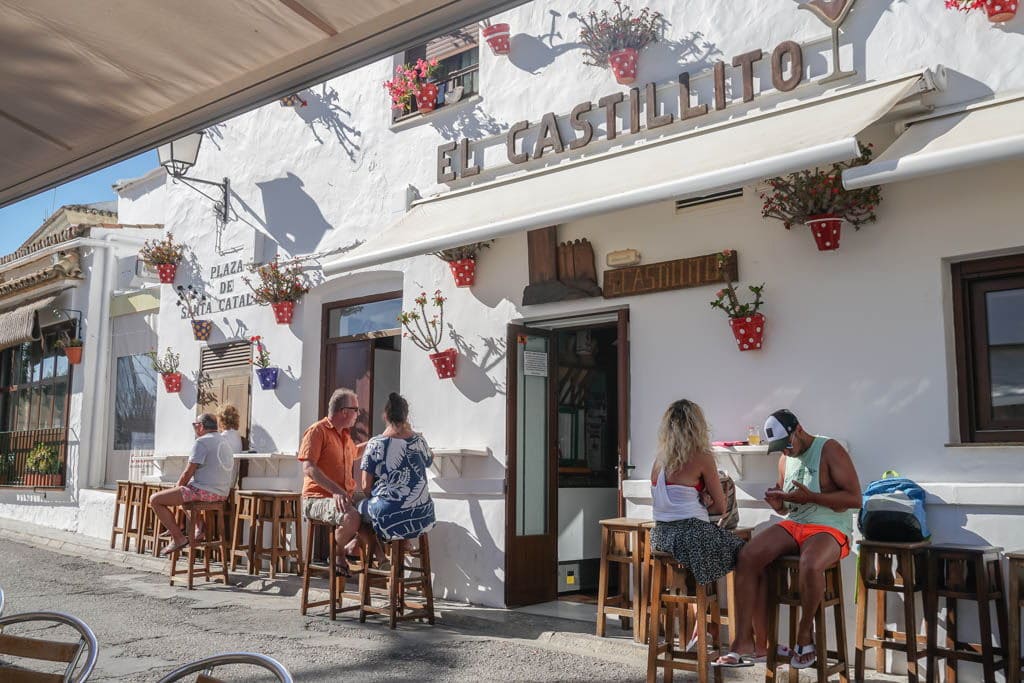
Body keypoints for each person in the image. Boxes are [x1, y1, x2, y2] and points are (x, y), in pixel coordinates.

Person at [717, 409, 861, 669]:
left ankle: (804, 635)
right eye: (780, 448)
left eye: (787, 445)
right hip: (795, 524)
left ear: (799, 430)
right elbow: (787, 508)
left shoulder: (829, 449)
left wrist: (813, 498)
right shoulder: (785, 459)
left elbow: (855, 499)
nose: (785, 452)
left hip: (829, 528)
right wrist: (778, 504)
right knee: (747, 555)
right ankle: (743, 642)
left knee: (810, 563)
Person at [648, 399, 745, 651]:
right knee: (744, 553)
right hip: (690, 532)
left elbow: (664, 503)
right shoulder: (702, 458)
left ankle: (702, 624)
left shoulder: (658, 461)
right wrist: (704, 501)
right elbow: (720, 508)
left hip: (660, 535)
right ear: (697, 426)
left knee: (700, 557)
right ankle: (740, 635)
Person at [150, 413, 235, 556]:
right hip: (222, 493)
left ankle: (178, 537)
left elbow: (188, 472)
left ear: (200, 426)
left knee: (156, 500)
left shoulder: (201, 442)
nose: (194, 429)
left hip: (206, 492)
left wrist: (176, 487)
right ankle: (195, 526)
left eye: (194, 425)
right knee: (184, 491)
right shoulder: (224, 441)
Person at [298, 388, 362, 576]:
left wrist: (380, 441)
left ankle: (349, 551)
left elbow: (356, 453)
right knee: (352, 517)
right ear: (344, 411)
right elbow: (308, 467)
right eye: (356, 410)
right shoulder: (317, 431)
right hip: (316, 497)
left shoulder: (344, 435)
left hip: (343, 495)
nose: (358, 414)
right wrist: (336, 491)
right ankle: (337, 552)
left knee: (374, 508)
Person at [358, 393, 436, 544]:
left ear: (385, 415)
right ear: (406, 416)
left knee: (358, 510)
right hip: (424, 515)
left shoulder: (375, 443)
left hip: (388, 517)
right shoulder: (419, 441)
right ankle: (402, 543)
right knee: (391, 509)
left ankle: (377, 554)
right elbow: (429, 460)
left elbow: (365, 486)